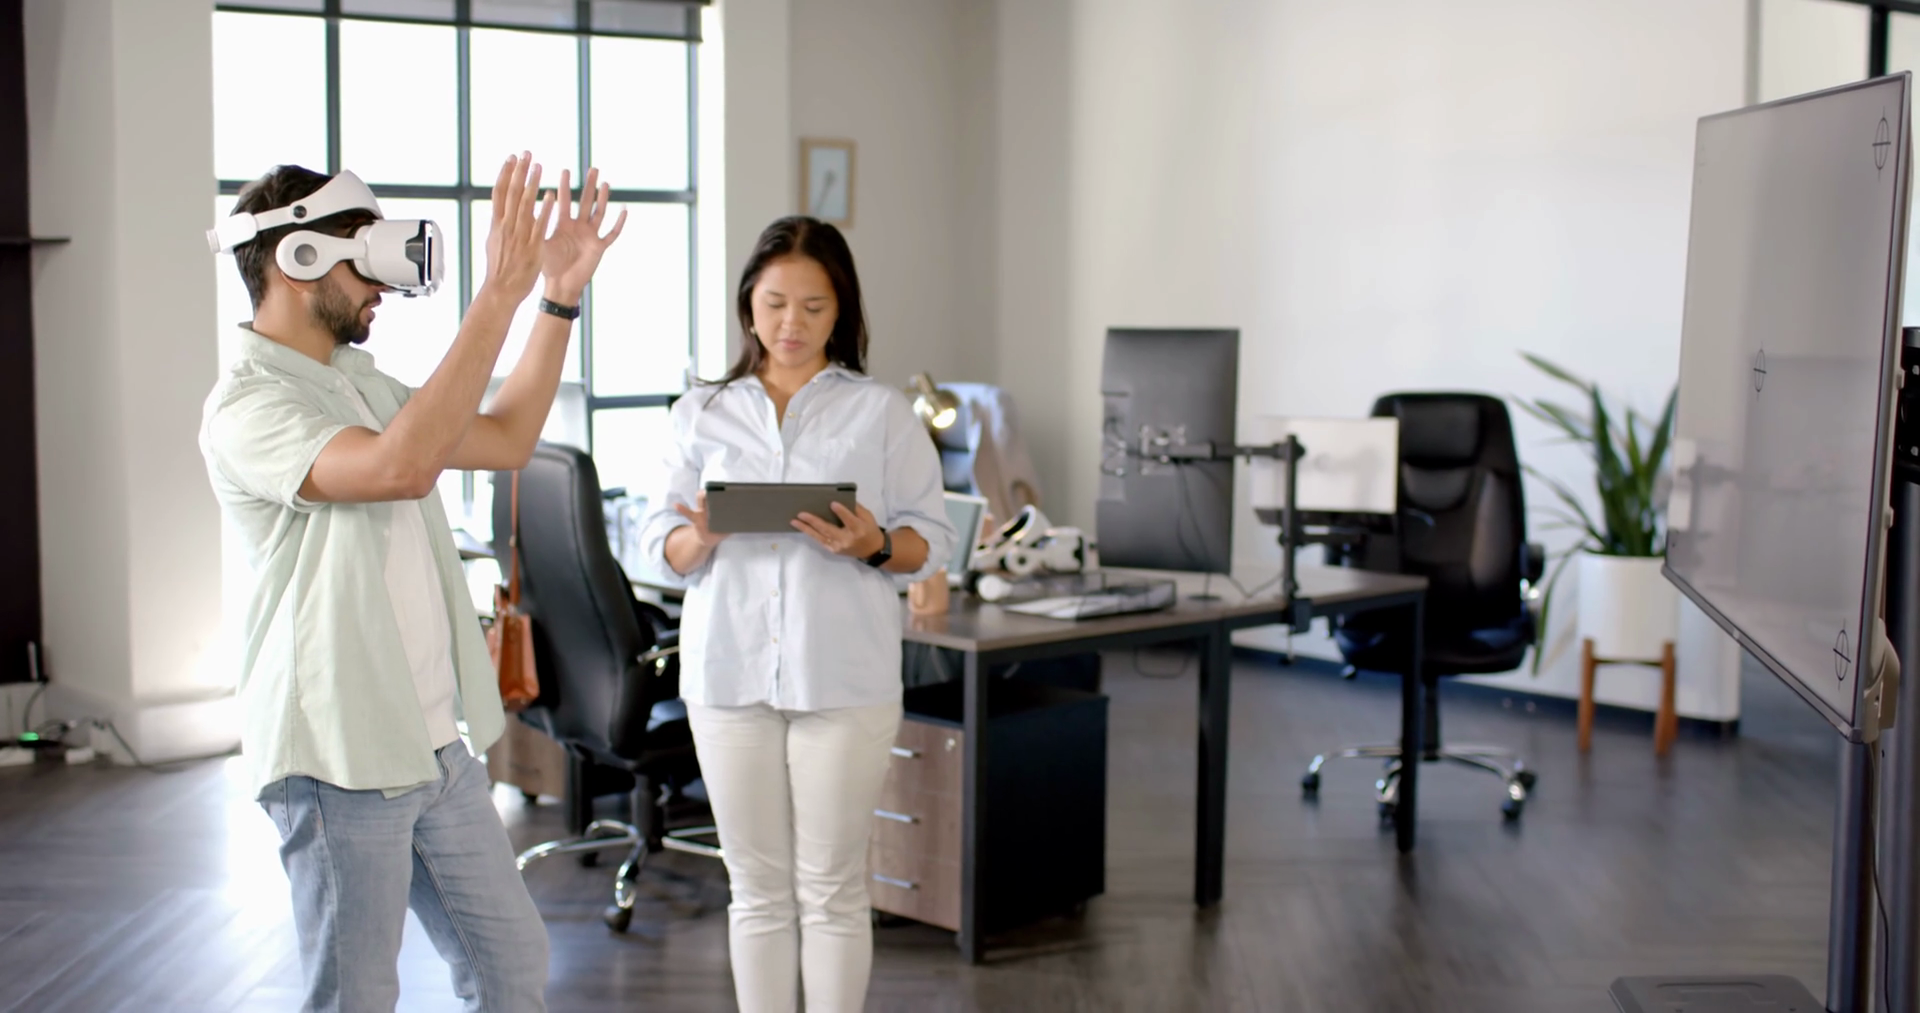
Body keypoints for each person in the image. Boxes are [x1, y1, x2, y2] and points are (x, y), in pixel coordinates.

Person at [199, 153, 626, 1012]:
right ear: (299, 260)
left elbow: (506, 437)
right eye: (365, 261)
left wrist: (554, 299)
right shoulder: (248, 406)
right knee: (354, 995)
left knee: (510, 967)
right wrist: (495, 297)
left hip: (430, 740)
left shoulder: (356, 381)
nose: (381, 289)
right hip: (337, 752)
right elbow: (398, 466)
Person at [639, 217, 955, 1013]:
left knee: (833, 888)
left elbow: (935, 540)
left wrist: (874, 543)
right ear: (748, 303)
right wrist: (701, 534)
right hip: (728, 675)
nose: (791, 324)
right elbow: (656, 544)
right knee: (756, 888)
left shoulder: (880, 412)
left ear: (840, 311)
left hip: (842, 681)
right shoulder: (701, 411)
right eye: (775, 303)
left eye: (813, 307)